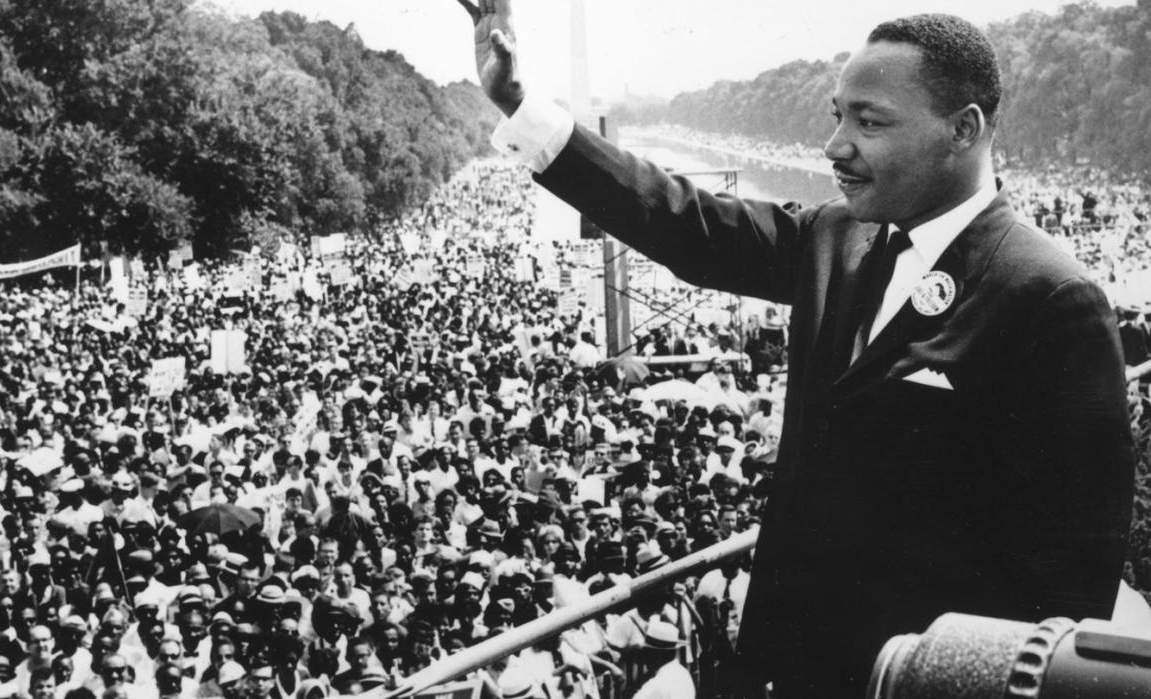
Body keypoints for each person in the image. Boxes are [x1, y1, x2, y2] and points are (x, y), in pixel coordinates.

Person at [454, 2, 1135, 696]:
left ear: (964, 129)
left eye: (868, 122)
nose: (835, 145)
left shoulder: (1050, 298)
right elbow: (679, 221)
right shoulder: (836, 236)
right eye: (836, 116)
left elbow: (1068, 585)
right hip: (780, 667)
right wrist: (517, 102)